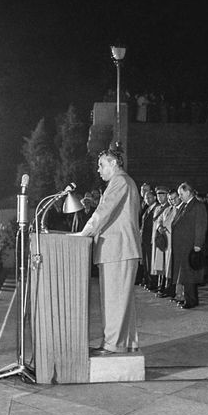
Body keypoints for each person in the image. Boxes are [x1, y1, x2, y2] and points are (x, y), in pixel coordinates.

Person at [75, 149, 141, 355]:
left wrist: (84, 233)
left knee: (115, 300)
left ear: (113, 163)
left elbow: (103, 211)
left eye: (101, 165)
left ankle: (113, 345)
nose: (98, 169)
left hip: (118, 249)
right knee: (121, 300)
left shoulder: (120, 181)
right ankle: (124, 343)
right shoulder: (123, 182)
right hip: (118, 249)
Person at [171, 182, 207, 309]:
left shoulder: (198, 206)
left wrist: (198, 244)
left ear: (188, 192)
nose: (179, 196)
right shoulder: (184, 206)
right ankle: (188, 297)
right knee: (184, 274)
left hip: (190, 245)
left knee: (190, 274)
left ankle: (191, 300)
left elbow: (201, 226)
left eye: (181, 194)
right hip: (181, 246)